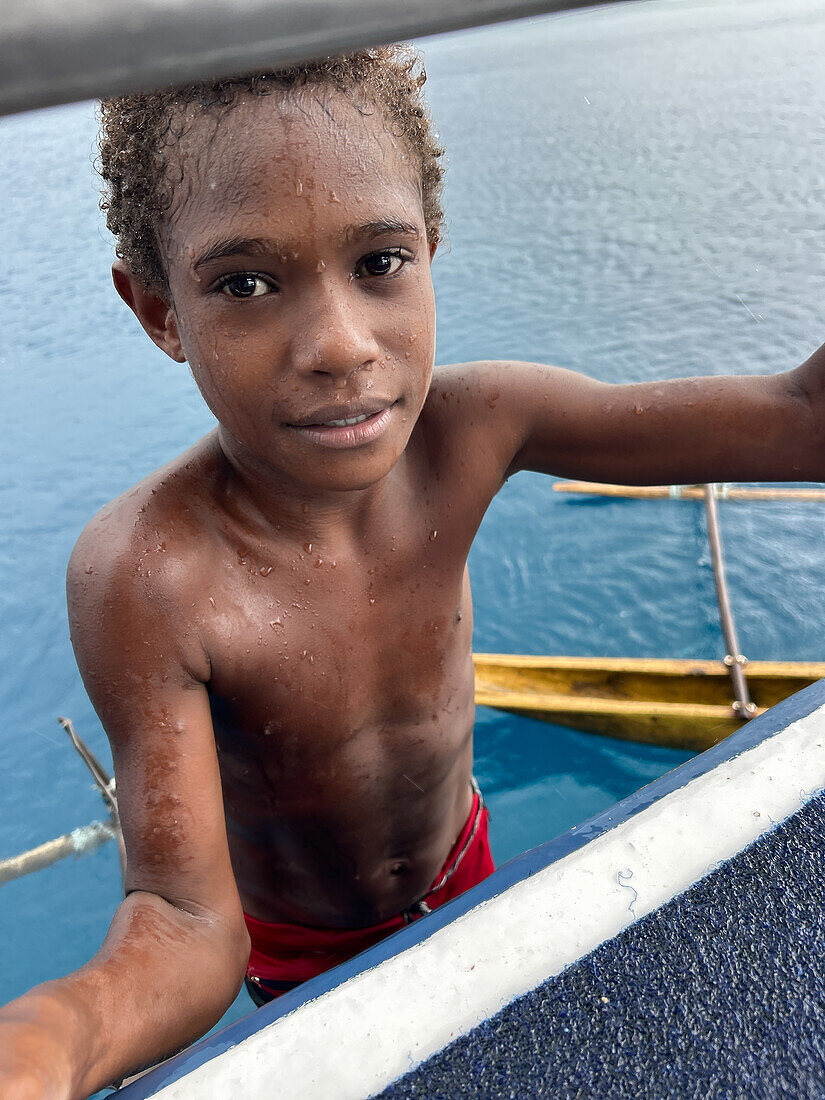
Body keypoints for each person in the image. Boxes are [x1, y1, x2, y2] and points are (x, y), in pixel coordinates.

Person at [1, 44, 823, 1098]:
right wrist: (53, 1035)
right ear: (160, 309)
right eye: (245, 283)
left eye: (380, 262)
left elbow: (801, 423)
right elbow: (189, 920)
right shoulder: (149, 576)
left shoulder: (477, 428)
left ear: (431, 244)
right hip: (300, 953)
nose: (340, 344)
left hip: (467, 863)